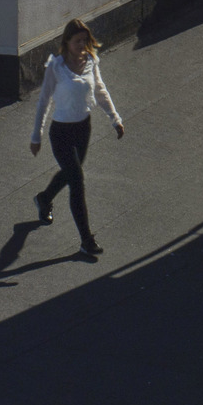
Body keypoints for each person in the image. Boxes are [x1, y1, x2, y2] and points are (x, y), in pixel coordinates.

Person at [29, 18, 124, 259]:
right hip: (60, 132)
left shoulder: (91, 60)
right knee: (77, 182)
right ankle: (86, 240)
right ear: (67, 42)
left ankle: (44, 198)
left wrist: (115, 118)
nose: (82, 45)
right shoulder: (56, 67)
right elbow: (43, 102)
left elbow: (100, 90)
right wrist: (36, 135)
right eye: (77, 41)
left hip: (83, 128)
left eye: (85, 40)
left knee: (71, 174)